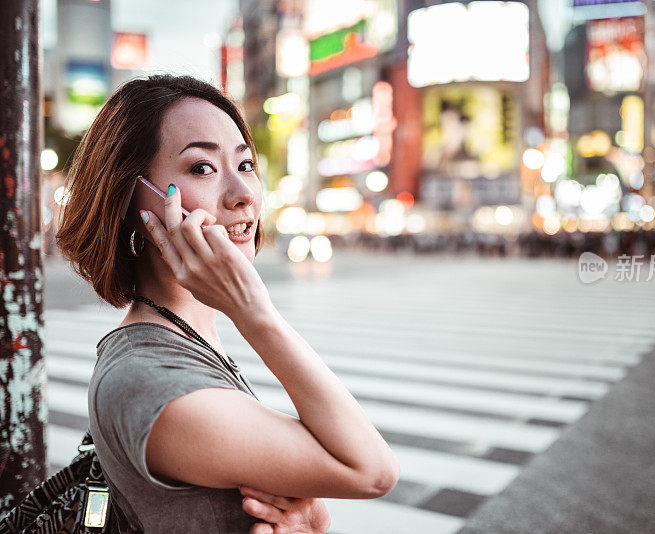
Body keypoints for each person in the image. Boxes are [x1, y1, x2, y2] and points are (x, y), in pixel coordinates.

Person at [55, 74, 400, 533]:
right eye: (202, 168)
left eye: (245, 164)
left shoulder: (186, 339)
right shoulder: (143, 378)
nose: (242, 196)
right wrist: (255, 313)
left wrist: (311, 524)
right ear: (131, 198)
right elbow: (373, 471)